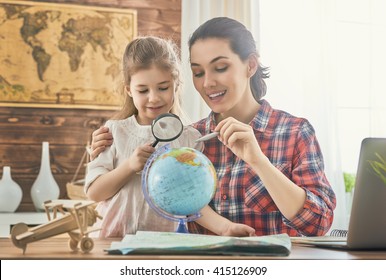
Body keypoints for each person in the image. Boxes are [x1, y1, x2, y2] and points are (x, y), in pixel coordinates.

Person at [90, 18, 336, 237]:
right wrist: (113, 156)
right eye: (198, 72)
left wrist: (259, 161)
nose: (208, 83)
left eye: (220, 67)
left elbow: (318, 224)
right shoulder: (189, 140)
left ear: (251, 65)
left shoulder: (294, 132)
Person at [85, 36, 255, 238]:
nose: (154, 97)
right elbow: (94, 192)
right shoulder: (113, 132)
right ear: (129, 90)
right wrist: (129, 166)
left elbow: (192, 201)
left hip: (164, 244)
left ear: (176, 85)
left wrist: (224, 227)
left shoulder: (189, 139)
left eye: (163, 87)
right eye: (142, 90)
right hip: (112, 241)